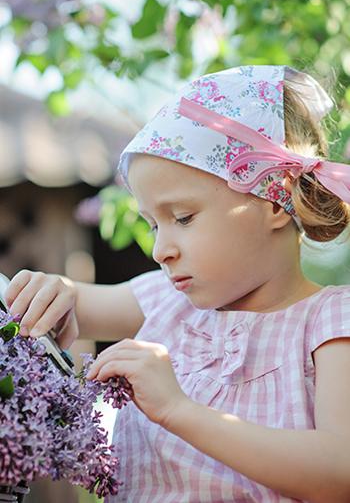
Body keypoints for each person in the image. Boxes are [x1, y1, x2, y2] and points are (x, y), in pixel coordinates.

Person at [5, 65, 350, 502]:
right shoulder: (167, 302)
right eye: (152, 225)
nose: (160, 249)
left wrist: (178, 410)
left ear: (274, 201)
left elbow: (340, 472)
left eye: (182, 218)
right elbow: (70, 304)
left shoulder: (330, 322)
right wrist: (54, 292)